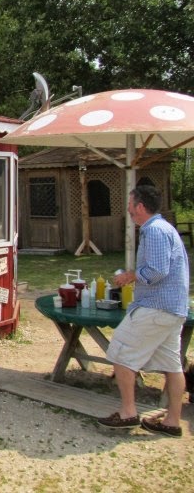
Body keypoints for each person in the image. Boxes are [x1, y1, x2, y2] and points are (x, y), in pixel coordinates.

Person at [97, 185, 190, 437]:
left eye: (129, 204)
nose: (127, 209)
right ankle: (172, 422)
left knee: (119, 352)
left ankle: (128, 413)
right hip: (173, 309)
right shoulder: (165, 228)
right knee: (172, 365)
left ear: (139, 206)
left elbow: (158, 270)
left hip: (155, 308)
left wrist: (131, 276)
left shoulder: (154, 230)